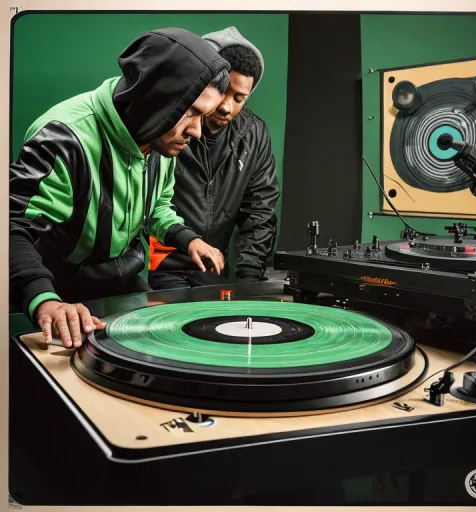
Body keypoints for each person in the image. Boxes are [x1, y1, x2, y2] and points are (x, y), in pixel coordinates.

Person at [10, 27, 231, 348]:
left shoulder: (162, 137)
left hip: (120, 284)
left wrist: (189, 239)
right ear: (157, 98)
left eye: (204, 115)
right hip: (53, 290)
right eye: (192, 112)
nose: (197, 131)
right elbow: (13, 228)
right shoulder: (63, 136)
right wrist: (45, 301)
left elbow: (157, 206)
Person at [147, 27, 281, 291]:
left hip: (214, 268)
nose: (227, 106)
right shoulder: (166, 123)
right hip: (160, 265)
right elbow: (145, 202)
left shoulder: (254, 134)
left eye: (240, 98)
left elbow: (260, 213)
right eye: (224, 92)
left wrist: (249, 281)